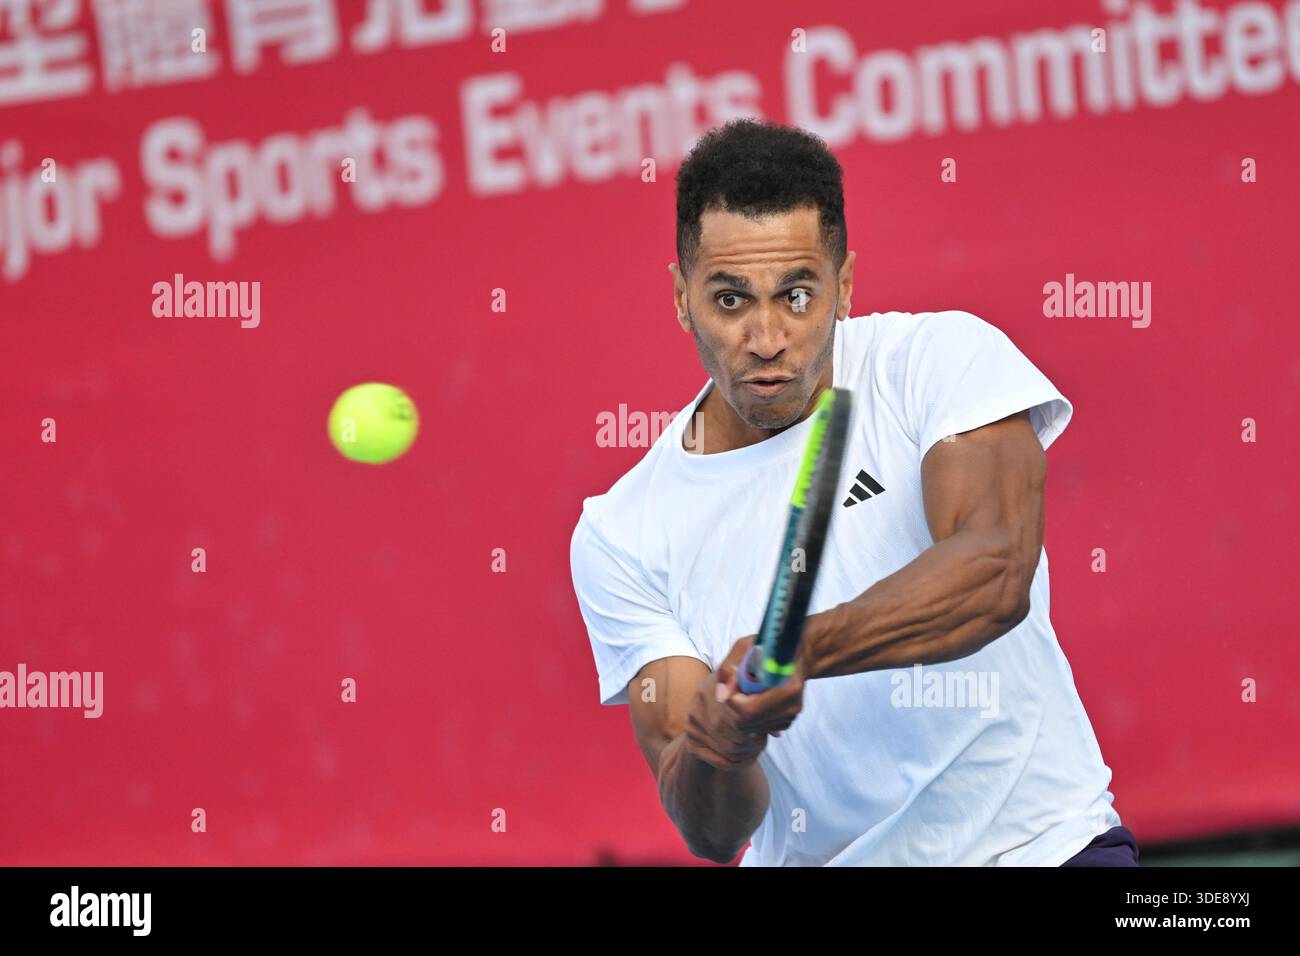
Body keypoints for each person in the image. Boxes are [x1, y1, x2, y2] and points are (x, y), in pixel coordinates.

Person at [569, 118, 1135, 866]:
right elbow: (711, 832)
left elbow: (995, 573)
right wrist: (722, 743)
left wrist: (802, 650)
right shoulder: (621, 534)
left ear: (845, 284)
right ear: (680, 296)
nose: (767, 336)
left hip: (1038, 848)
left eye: (797, 295)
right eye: (730, 300)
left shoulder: (938, 361)